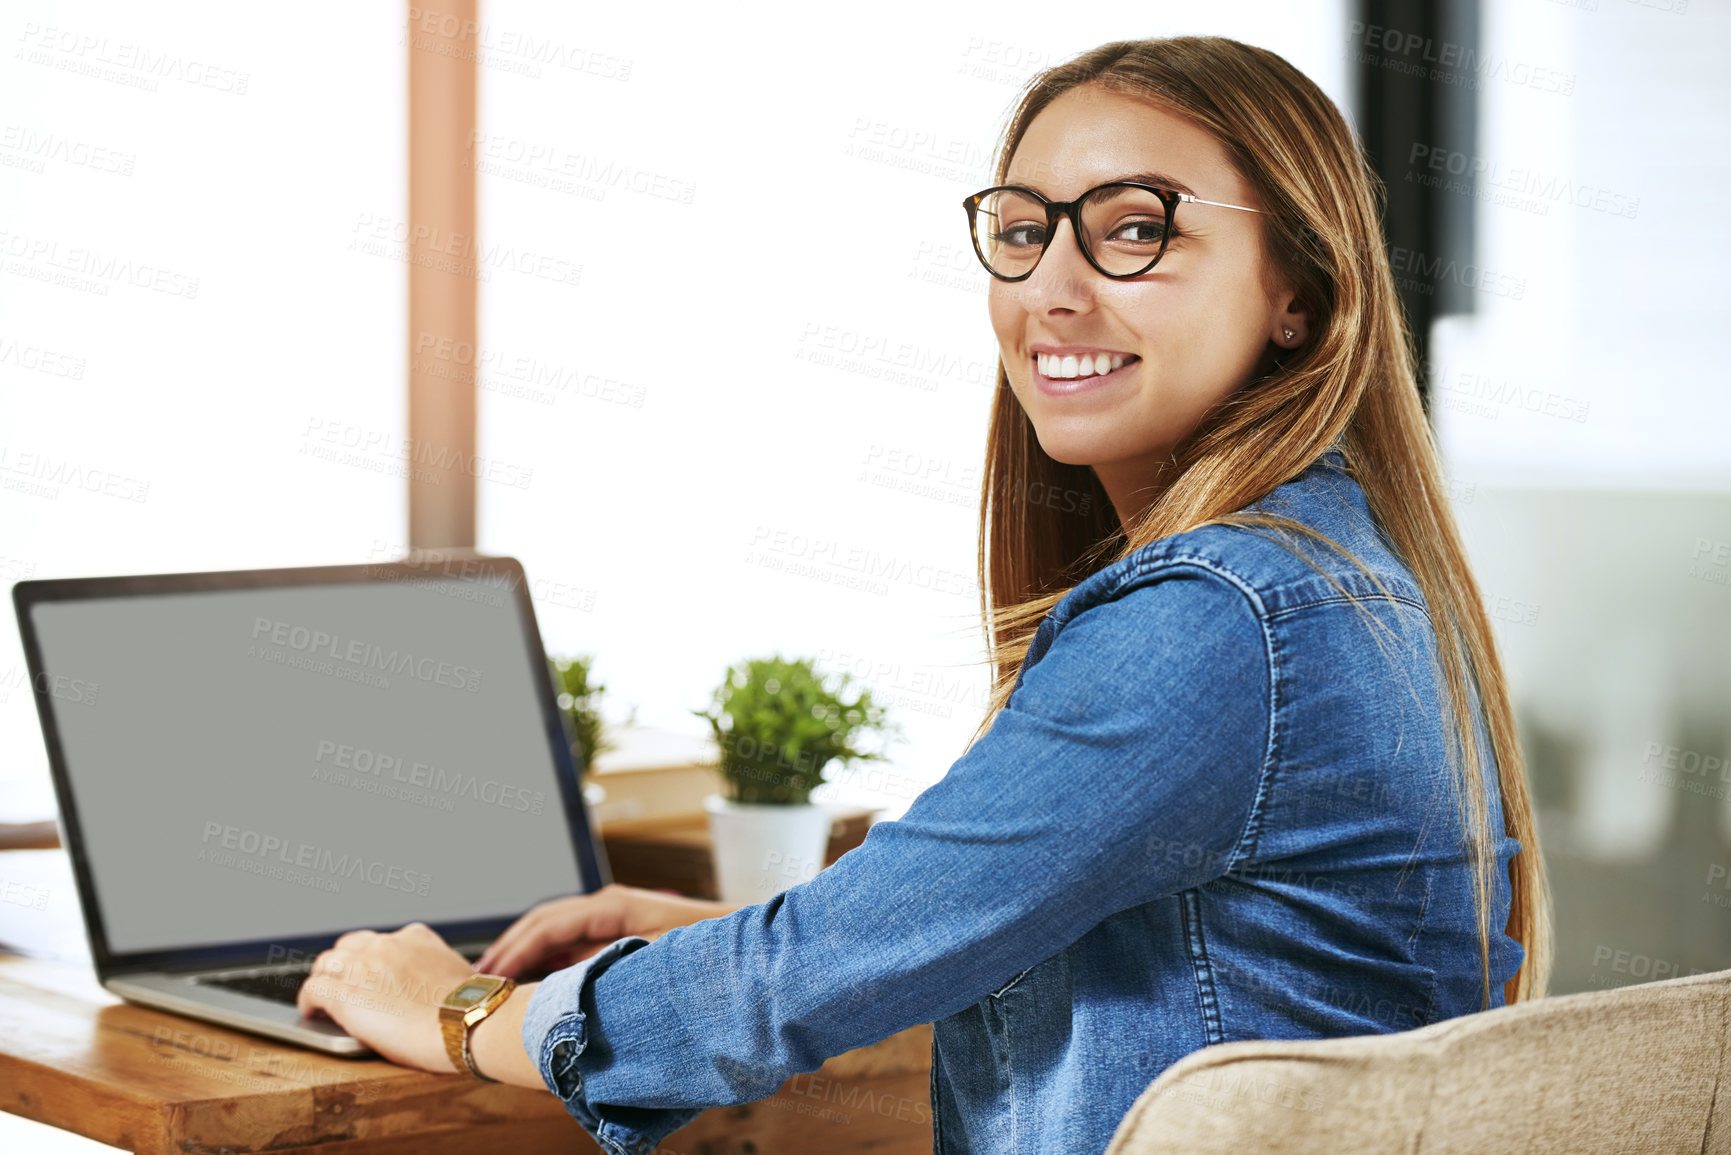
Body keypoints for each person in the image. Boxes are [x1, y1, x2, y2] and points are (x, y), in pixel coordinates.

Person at [297, 34, 1552, 1154]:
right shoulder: (1338, 576)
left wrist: (464, 1012)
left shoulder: (1222, 617)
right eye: (1024, 229)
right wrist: (732, 932)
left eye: (1134, 227)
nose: (1053, 288)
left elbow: (782, 994)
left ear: (1300, 293)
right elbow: (1127, 946)